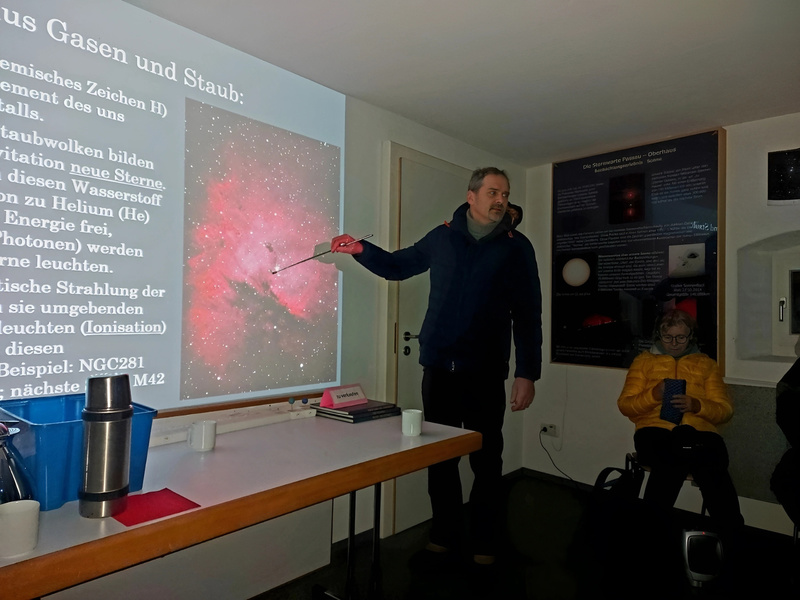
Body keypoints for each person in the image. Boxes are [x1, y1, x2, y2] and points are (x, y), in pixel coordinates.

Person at [331, 167, 542, 566]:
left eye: (505, 194)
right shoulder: (441, 237)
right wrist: (361, 250)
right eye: (493, 192)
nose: (501, 200)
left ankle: (485, 541)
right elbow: (398, 266)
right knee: (440, 458)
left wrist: (526, 372)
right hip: (439, 370)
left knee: (486, 460)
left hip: (485, 372)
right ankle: (443, 536)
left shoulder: (516, 247)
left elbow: (529, 313)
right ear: (471, 196)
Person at [617, 309, 744, 540]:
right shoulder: (643, 362)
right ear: (659, 335)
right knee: (676, 458)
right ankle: (655, 535)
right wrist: (654, 395)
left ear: (691, 336)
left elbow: (725, 411)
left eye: (681, 337)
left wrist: (697, 405)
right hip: (654, 430)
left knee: (709, 463)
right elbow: (626, 406)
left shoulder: (706, 365)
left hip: (698, 432)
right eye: (668, 337)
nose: (674, 343)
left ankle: (731, 536)